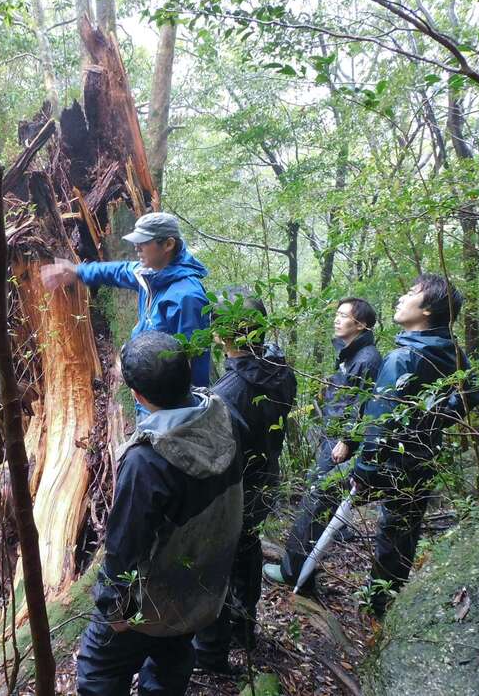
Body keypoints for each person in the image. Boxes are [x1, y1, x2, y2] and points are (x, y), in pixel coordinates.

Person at [76, 331, 243, 696]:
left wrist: (116, 608)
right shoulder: (221, 416)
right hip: (200, 590)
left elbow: (124, 546)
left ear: (137, 396)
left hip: (150, 602)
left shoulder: (147, 461)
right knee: (172, 661)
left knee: (98, 670)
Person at [350, 274, 479, 616]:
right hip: (426, 456)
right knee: (405, 532)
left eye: (411, 293)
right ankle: (386, 600)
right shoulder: (452, 352)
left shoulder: (401, 359)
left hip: (397, 461)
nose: (401, 297)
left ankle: (376, 607)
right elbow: (472, 396)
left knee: (392, 532)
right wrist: (434, 421)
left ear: (427, 311)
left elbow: (379, 423)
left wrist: (364, 470)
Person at [193, 288, 297, 673]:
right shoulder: (281, 371)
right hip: (266, 479)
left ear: (219, 334)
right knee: (248, 546)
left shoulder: (225, 395)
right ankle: (245, 626)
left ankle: (212, 652)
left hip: (236, 491)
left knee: (219, 560)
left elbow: (218, 458)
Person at [263, 297, 382, 590]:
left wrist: (348, 440)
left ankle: (293, 572)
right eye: (337, 314)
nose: (337, 319)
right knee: (317, 500)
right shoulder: (351, 353)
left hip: (340, 444)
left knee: (315, 502)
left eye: (344, 316)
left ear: (361, 325)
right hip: (332, 436)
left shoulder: (367, 358)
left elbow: (367, 405)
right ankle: (302, 569)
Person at [41, 211, 211, 389]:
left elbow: (194, 365)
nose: (136, 247)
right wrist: (77, 271)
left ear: (168, 244)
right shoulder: (150, 273)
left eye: (143, 242)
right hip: (146, 394)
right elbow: (118, 271)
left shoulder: (187, 298)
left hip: (167, 406)